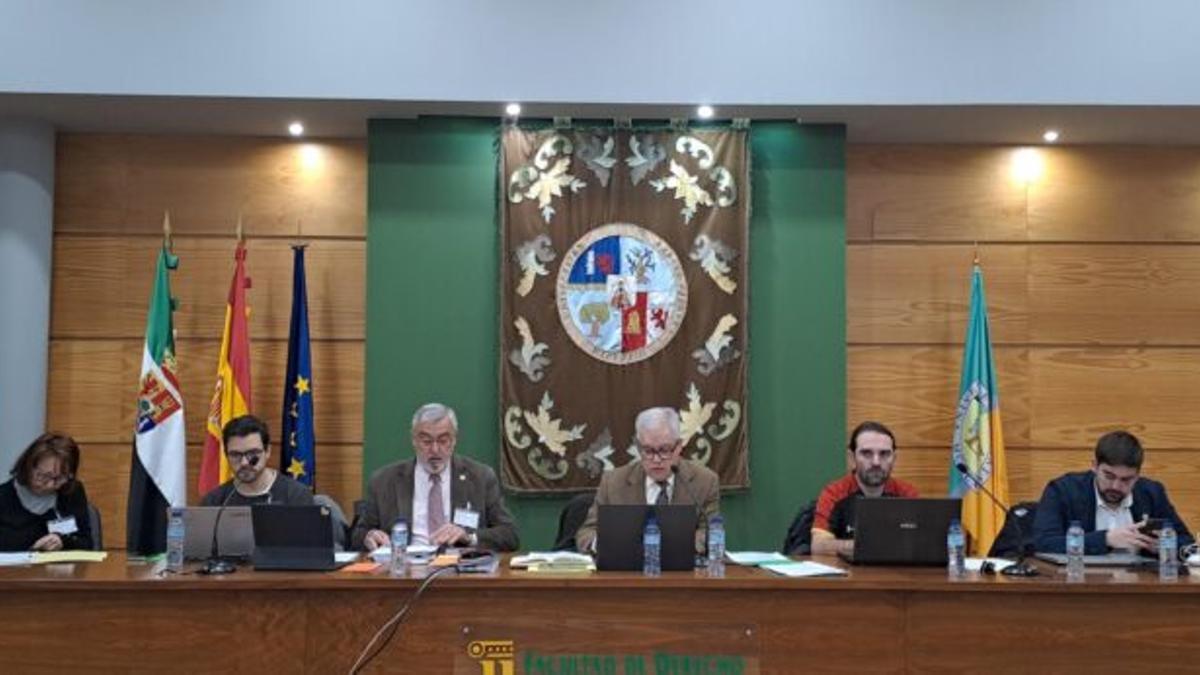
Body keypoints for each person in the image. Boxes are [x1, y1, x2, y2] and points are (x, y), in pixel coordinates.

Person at [352, 403, 519, 551]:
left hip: (460, 572)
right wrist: (370, 536)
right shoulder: (383, 481)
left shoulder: (481, 477)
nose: (435, 449)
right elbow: (357, 536)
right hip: (403, 572)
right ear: (414, 440)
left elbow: (510, 535)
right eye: (426, 441)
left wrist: (469, 536)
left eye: (443, 440)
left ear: (454, 440)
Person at [575, 407, 720, 554]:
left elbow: (710, 531)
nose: (656, 460)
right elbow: (586, 533)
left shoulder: (705, 482)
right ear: (638, 447)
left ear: (678, 447)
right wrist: (606, 542)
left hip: (682, 571)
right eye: (648, 451)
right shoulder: (613, 483)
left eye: (664, 450)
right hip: (628, 570)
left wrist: (670, 544)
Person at [1032, 430, 1193, 555]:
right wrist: (1106, 539)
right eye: (1109, 476)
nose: (1115, 486)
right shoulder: (1063, 490)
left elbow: (1187, 543)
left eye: (1126, 480)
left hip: (1142, 587)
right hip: (1080, 587)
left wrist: (1164, 545)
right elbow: (1043, 543)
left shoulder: (1151, 493)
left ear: (1137, 476)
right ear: (1095, 466)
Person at [810, 421, 919, 556]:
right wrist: (875, 545)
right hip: (848, 575)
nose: (876, 462)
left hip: (894, 574)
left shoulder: (906, 493)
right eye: (866, 453)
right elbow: (819, 546)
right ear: (852, 457)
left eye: (884, 454)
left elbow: (918, 543)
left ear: (894, 458)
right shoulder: (834, 493)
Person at [0, 433, 93, 552]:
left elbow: (87, 544)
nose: (50, 485)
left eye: (59, 478)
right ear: (28, 467)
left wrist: (63, 542)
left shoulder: (71, 492)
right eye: (43, 476)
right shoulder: (4, 498)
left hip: (63, 570)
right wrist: (32, 550)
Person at [200, 415, 314, 507]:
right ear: (226, 455)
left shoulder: (296, 496)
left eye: (252, 453)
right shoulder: (214, 502)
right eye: (236, 455)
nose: (244, 462)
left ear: (267, 451)